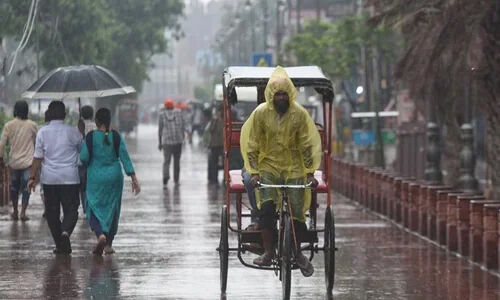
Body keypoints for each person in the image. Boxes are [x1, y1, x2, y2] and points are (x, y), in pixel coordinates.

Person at [240, 67, 321, 277]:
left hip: (294, 166)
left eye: (285, 94)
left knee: (296, 212)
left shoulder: (300, 115)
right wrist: (254, 172)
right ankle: (268, 252)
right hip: (267, 166)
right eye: (278, 94)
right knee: (266, 209)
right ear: (271, 95)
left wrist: (310, 173)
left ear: (290, 94)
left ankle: (297, 253)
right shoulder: (260, 114)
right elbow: (252, 145)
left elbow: (306, 145)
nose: (282, 98)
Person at [80, 108, 140, 255]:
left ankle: (100, 234)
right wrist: (133, 178)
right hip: (114, 177)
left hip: (96, 178)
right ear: (109, 121)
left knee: (92, 206)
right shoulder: (116, 136)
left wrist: (84, 141)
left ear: (96, 121)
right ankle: (109, 244)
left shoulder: (90, 137)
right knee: (113, 208)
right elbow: (125, 157)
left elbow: (83, 158)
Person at [28, 101, 84, 254]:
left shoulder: (42, 132)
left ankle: (60, 244)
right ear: (65, 115)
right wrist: (82, 132)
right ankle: (65, 233)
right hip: (70, 178)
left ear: (49, 113)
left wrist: (32, 177)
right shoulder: (73, 131)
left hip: (50, 180)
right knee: (72, 210)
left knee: (52, 213)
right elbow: (83, 151)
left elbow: (37, 157)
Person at [0, 100, 38, 221]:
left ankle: (15, 211)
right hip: (28, 163)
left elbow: (1, 144)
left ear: (15, 110)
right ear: (27, 110)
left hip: (14, 163)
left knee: (14, 188)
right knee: (27, 187)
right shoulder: (32, 125)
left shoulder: (8, 125)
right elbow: (39, 143)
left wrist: (1, 158)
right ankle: (23, 212)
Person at [158, 98, 186, 186]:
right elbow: (183, 126)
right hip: (178, 141)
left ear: (165, 107)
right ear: (173, 106)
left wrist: (160, 143)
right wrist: (183, 137)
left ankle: (165, 177)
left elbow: (160, 130)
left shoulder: (161, 115)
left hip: (166, 142)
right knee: (176, 162)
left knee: (166, 161)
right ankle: (176, 180)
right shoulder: (179, 112)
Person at [78, 105, 97, 214]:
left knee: (83, 187)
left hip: (81, 162)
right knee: (92, 186)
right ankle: (92, 207)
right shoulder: (96, 127)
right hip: (93, 162)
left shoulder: (77, 128)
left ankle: (85, 208)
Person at [206, 107, 224, 184]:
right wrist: (214, 121)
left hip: (222, 145)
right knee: (213, 162)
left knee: (224, 162)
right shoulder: (214, 121)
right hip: (214, 145)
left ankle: (225, 179)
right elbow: (210, 130)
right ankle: (214, 179)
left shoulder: (224, 121)